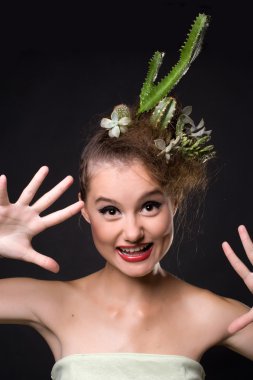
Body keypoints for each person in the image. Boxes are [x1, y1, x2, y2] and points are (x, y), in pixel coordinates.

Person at [1, 13, 253, 380]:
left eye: (149, 206)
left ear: (175, 203)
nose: (132, 232)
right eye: (110, 211)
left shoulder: (214, 314)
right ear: (85, 211)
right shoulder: (49, 303)